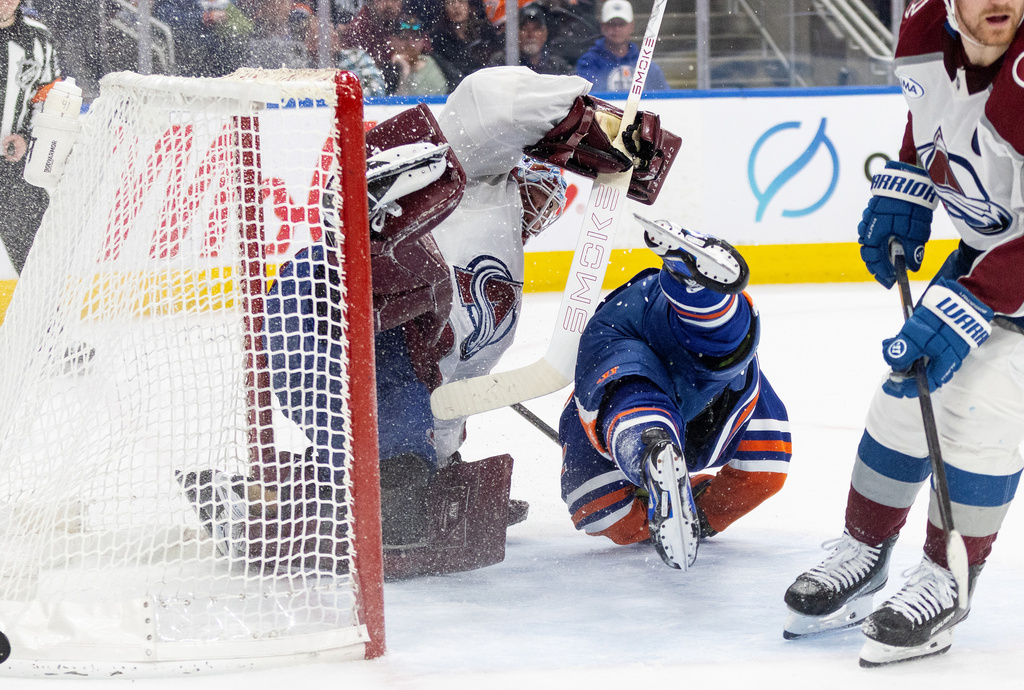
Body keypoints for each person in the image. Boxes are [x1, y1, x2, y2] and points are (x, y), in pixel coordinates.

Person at [782, 0, 1024, 667]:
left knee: (983, 406)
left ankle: (949, 576)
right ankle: (865, 548)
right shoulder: (923, 36)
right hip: (993, 255)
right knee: (903, 399)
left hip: (1008, 267)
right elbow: (933, 116)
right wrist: (910, 183)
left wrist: (974, 297)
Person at [559, 219, 791, 568]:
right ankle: (699, 289)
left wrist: (668, 510)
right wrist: (700, 518)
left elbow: (597, 509)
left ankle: (648, 453)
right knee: (718, 352)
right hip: (630, 331)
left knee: (638, 403)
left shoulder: (594, 407)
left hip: (626, 331)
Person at [0, 0, 60, 276]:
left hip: (12, 165)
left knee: (37, 253)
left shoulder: (38, 37)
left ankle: (46, 317)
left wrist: (26, 136)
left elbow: (47, 97)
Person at [574, 0, 668, 92]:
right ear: (603, 26)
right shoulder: (588, 63)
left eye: (622, 24)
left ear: (631, 26)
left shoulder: (646, 65)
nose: (617, 29)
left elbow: (664, 99)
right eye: (612, 24)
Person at [154, 0, 253, 77]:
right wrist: (204, 17)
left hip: (228, 40)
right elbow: (166, 17)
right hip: (191, 44)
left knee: (245, 46)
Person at [430, 0, 499, 91]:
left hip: (486, 86)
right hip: (454, 90)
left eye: (461, 1)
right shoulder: (438, 37)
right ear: (444, 8)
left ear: (469, 6)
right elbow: (445, 70)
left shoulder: (485, 31)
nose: (456, 6)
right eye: (450, 3)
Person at [489, 3, 573, 75]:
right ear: (515, 34)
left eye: (536, 29)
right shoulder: (501, 63)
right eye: (525, 29)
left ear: (545, 34)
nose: (531, 34)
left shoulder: (557, 65)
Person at [343, 0, 405, 92]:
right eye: (381, 0)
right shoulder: (358, 30)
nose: (389, 4)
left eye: (395, 0)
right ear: (371, 2)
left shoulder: (406, 22)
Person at [390, 14, 449, 94]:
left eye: (416, 38)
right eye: (403, 38)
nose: (410, 43)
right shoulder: (387, 70)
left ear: (423, 41)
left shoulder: (438, 63)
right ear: (392, 41)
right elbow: (394, 104)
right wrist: (404, 71)